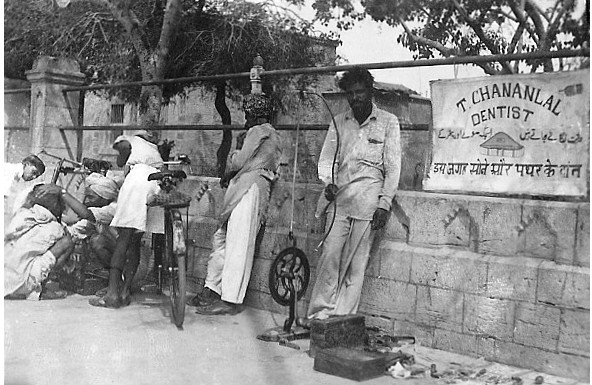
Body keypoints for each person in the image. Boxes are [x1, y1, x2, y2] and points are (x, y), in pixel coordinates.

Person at [304, 67, 401, 323]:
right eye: (350, 94)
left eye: (360, 92)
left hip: (369, 204)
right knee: (329, 258)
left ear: (370, 92)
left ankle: (341, 322)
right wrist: (327, 181)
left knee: (356, 267)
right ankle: (319, 317)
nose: (355, 98)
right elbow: (326, 160)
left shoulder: (389, 123)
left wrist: (385, 204)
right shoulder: (338, 122)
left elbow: (393, 169)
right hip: (340, 203)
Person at [190, 93, 282, 315]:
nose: (246, 119)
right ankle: (212, 288)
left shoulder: (259, 131)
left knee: (237, 243)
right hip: (245, 187)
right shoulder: (274, 135)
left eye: (248, 115)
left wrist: (232, 160)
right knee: (222, 238)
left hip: (249, 189)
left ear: (256, 115)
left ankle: (229, 299)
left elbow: (239, 161)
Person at [89, 130, 164, 309]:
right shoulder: (155, 150)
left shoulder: (130, 139)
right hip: (156, 183)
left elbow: (122, 156)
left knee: (124, 239)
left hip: (138, 181)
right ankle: (124, 290)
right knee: (135, 241)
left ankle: (112, 295)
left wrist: (121, 152)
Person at [4, 185, 73, 300]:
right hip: (21, 283)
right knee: (67, 242)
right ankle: (40, 288)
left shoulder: (23, 215)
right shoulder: (55, 228)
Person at [4, 154, 46, 220]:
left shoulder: (17, 175)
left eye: (37, 176)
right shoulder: (11, 172)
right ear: (27, 164)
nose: (34, 177)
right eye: (34, 172)